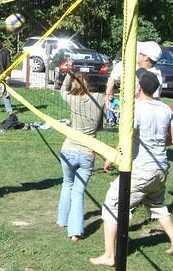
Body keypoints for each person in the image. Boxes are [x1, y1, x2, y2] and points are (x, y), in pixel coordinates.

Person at [90, 70, 173, 266]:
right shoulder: (166, 109)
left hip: (142, 170)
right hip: (161, 169)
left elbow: (126, 138)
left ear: (139, 88)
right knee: (157, 205)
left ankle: (109, 256)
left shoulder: (135, 109)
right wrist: (155, 143)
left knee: (111, 204)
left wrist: (111, 156)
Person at [57, 63, 104, 241]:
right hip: (87, 152)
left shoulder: (72, 99)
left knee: (67, 184)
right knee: (78, 190)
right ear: (89, 84)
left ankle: (62, 221)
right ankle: (75, 231)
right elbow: (100, 124)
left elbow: (62, 90)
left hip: (68, 149)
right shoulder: (99, 98)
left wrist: (69, 72)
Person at [105, 41, 163, 110]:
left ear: (146, 57)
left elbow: (153, 99)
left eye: (139, 53)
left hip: (143, 112)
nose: (136, 53)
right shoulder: (128, 65)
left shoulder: (155, 75)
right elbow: (113, 78)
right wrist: (107, 96)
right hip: (126, 111)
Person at [0, 35, 13, 113]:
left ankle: (9, 110)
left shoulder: (5, 51)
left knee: (5, 92)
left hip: (2, 75)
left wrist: (8, 75)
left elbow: (8, 64)